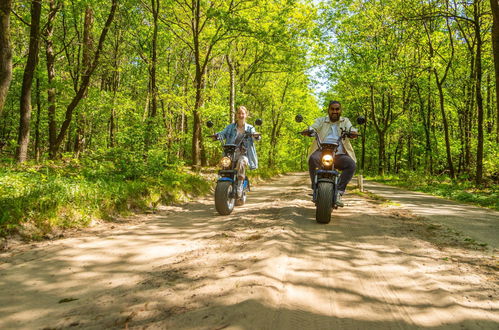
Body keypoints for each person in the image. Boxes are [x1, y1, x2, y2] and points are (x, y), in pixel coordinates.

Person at [301, 100, 358, 207]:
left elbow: (351, 129)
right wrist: (308, 130)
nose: (335, 111)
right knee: (313, 159)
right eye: (332, 109)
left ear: (340, 110)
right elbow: (313, 127)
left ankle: (339, 192)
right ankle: (315, 188)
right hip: (322, 152)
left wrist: (353, 133)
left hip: (339, 154)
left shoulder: (345, 121)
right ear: (328, 110)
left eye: (337, 109)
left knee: (351, 164)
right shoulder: (321, 120)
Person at [213, 106, 261, 197]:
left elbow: (256, 136)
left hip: (244, 154)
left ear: (246, 115)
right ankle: (222, 189)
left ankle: (239, 184)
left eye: (243, 113)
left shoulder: (250, 128)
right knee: (224, 165)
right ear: (236, 115)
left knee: (241, 162)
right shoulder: (230, 127)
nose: (241, 115)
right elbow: (222, 134)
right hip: (230, 153)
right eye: (239, 113)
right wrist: (216, 136)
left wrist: (255, 136)